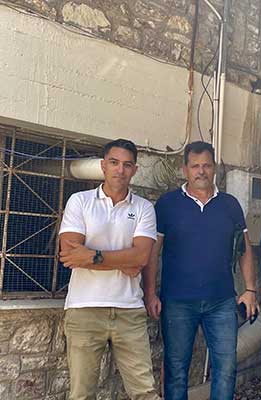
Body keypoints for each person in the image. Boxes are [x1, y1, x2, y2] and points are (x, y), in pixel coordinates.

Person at [142, 141, 258, 400]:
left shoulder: (230, 204)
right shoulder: (168, 204)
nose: (201, 171)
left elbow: (244, 249)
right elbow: (152, 252)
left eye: (206, 165)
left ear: (214, 168)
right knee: (176, 371)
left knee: (226, 369)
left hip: (221, 301)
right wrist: (150, 293)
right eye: (195, 166)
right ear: (185, 169)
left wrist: (250, 289)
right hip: (178, 302)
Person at [59, 139, 160, 400]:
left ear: (134, 170)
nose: (120, 170)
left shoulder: (144, 208)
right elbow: (70, 254)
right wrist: (125, 260)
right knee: (81, 394)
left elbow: (142, 257)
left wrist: (92, 256)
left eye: (127, 165)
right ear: (103, 165)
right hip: (84, 308)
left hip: (129, 309)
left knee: (145, 392)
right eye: (114, 163)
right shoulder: (79, 201)